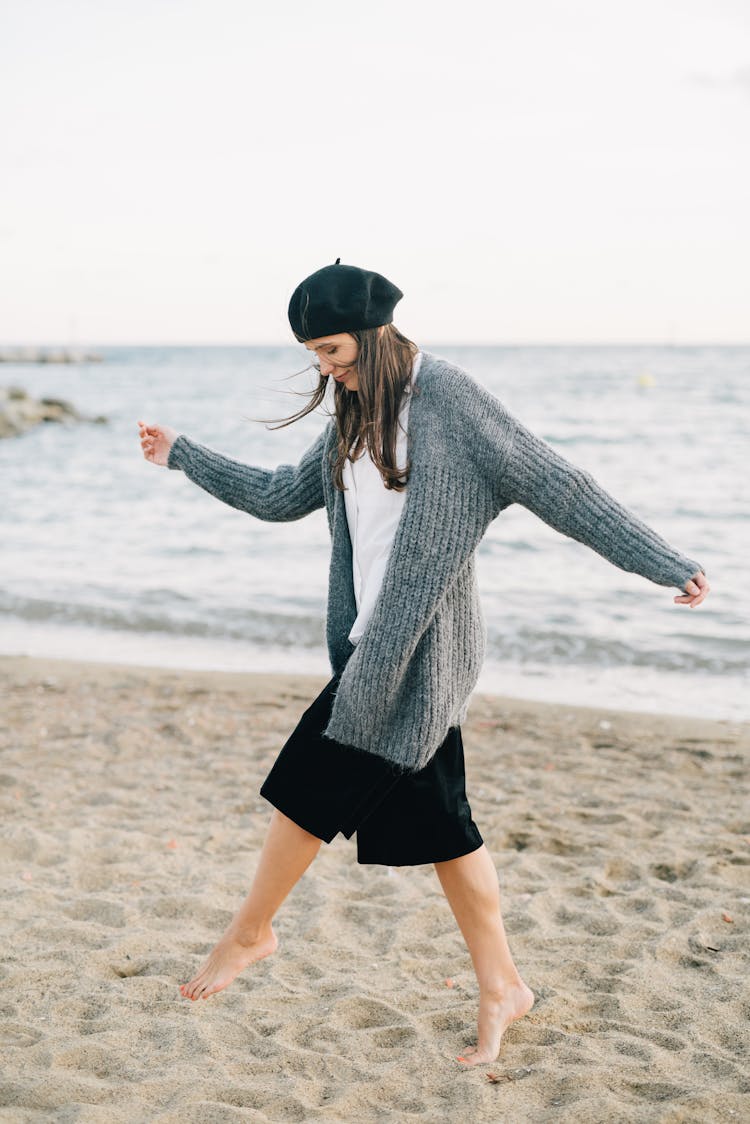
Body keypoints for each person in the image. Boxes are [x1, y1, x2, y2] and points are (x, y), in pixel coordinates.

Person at [137, 259, 710, 1066]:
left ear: (375, 332)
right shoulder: (352, 411)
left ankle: (249, 934)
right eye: (316, 357)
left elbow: (562, 487)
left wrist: (663, 561)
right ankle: (504, 983)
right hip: (369, 645)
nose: (326, 369)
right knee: (448, 831)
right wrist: (185, 457)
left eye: (333, 351)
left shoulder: (452, 401)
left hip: (415, 660)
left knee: (306, 788)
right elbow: (279, 497)